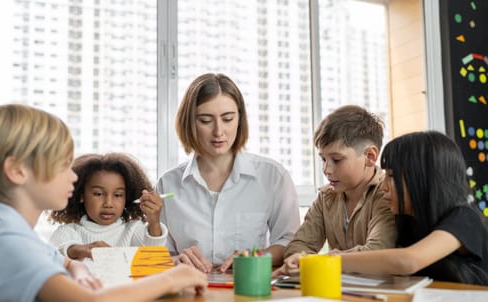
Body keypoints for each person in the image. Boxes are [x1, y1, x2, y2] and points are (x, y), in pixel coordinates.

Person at [0, 104, 207, 302]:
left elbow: (64, 261)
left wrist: (77, 268)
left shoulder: (2, 232)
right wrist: (171, 279)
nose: (73, 176)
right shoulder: (5, 243)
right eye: (62, 165)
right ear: (17, 171)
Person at [276, 131, 488, 286]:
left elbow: (408, 260)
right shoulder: (405, 221)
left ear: (424, 180)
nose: (384, 185)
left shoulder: (463, 218)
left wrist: (319, 261)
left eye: (392, 176)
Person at [156, 73, 300, 273]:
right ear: (189, 123)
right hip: (188, 289)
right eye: (206, 120)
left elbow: (290, 242)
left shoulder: (272, 176)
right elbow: (161, 254)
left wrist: (254, 257)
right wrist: (176, 261)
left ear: (239, 119)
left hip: (250, 288)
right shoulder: (168, 185)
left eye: (228, 119)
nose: (219, 131)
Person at [283, 105, 397, 260]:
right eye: (323, 159)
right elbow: (298, 246)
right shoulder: (325, 197)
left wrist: (314, 261)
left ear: (370, 156)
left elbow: (377, 251)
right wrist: (298, 257)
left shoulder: (388, 193)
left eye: (337, 160)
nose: (326, 169)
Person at [49, 152, 167, 261]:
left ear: (127, 198)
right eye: (98, 194)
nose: (108, 203)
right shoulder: (68, 232)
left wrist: (154, 222)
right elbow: (52, 256)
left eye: (118, 195)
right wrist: (79, 250)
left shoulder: (133, 230)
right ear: (81, 196)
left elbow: (154, 261)